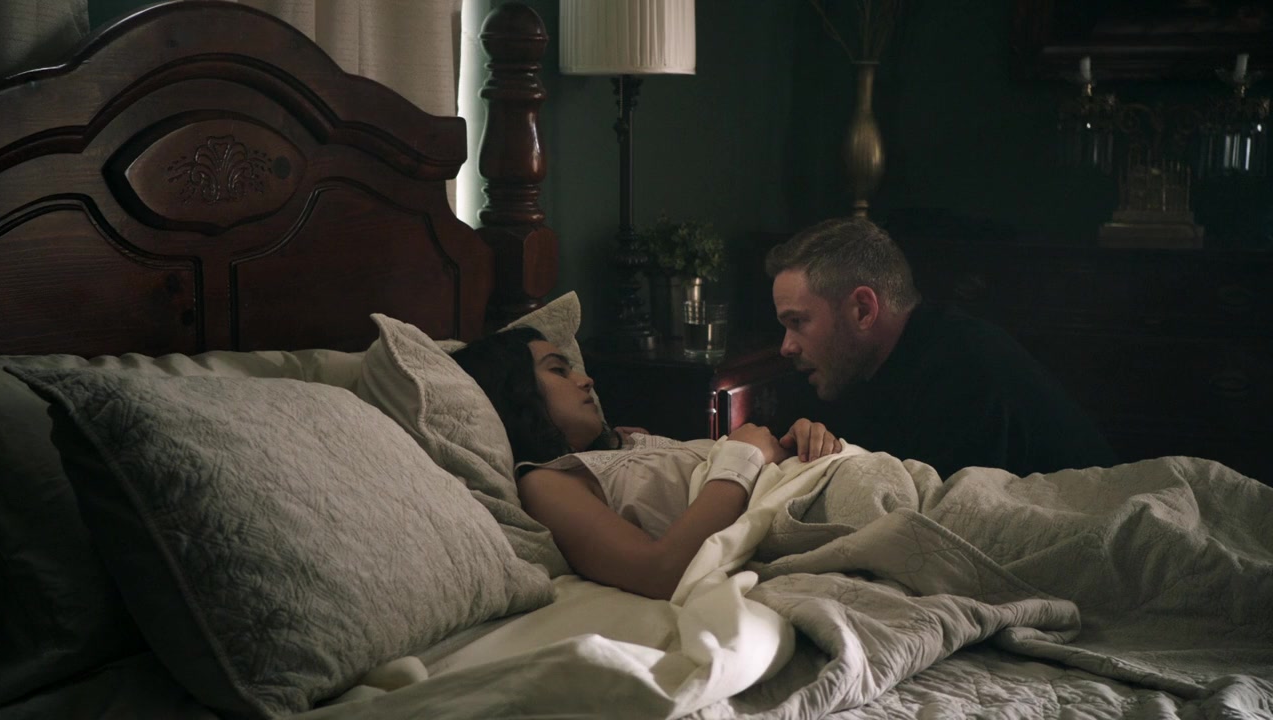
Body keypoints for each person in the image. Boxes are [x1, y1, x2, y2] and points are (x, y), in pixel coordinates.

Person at [451, 326, 841, 600]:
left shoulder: (625, 444)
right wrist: (743, 456)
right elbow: (660, 573)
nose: (585, 380)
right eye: (558, 370)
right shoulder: (546, 482)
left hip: (823, 477)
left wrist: (800, 441)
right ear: (516, 393)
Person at [765, 217, 1118, 480]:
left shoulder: (964, 371)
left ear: (863, 310)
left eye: (798, 322)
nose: (786, 347)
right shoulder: (861, 364)